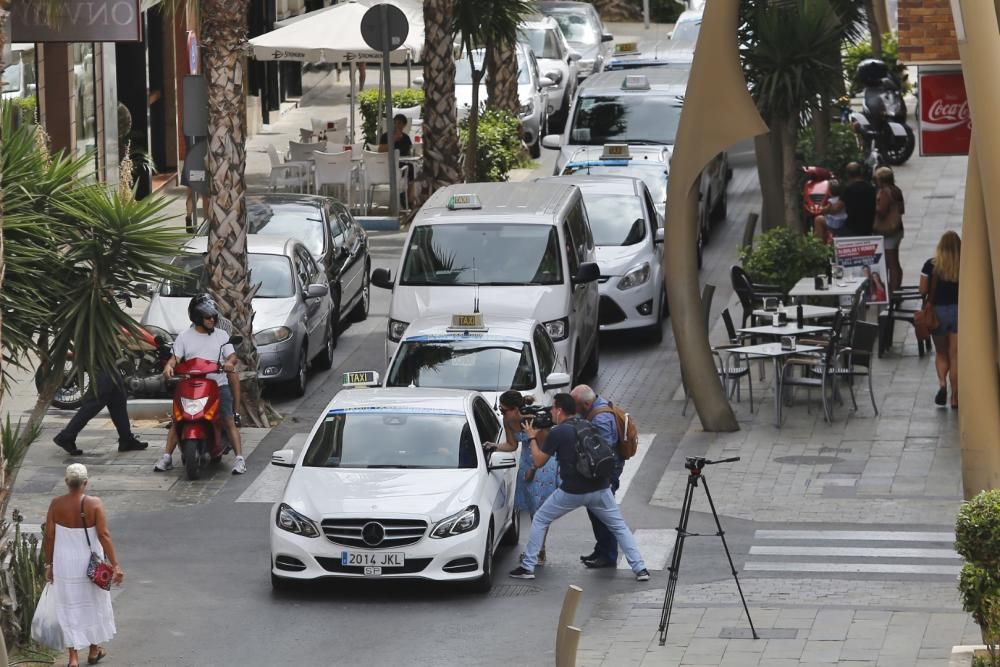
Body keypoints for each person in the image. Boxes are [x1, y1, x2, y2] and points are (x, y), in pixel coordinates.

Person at [508, 393, 649, 582]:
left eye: (552, 409)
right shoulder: (589, 424)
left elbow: (539, 461)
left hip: (572, 491)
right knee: (619, 527)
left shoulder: (559, 432)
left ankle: (528, 566)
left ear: (559, 410)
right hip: (600, 488)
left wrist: (532, 437)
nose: (550, 412)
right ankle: (640, 569)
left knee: (540, 518)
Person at [157, 295, 246, 474]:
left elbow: (232, 356)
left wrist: (229, 362)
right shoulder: (184, 336)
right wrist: (169, 366)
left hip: (218, 385)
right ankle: (166, 457)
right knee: (177, 421)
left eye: (213, 316)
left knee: (228, 420)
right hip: (190, 385)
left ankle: (239, 459)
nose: (212, 319)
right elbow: (175, 358)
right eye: (207, 317)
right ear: (197, 317)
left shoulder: (222, 335)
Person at [44, 464, 122, 667]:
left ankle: (73, 658)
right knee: (93, 603)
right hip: (91, 564)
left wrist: (48, 564)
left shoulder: (56, 504)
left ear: (66, 482)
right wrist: (115, 565)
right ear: (85, 482)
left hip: (64, 564)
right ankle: (94, 650)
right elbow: (104, 535)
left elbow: (49, 536)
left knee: (69, 607)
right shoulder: (95, 504)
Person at [493, 391, 559, 565]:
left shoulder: (534, 419)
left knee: (540, 511)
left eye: (504, 409)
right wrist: (494, 446)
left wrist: (533, 467)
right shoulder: (508, 420)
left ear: (515, 409)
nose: (501, 412)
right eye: (500, 409)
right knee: (532, 510)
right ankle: (538, 550)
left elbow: (546, 447)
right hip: (527, 464)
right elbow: (512, 445)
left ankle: (539, 552)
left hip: (543, 465)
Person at [571, 384, 625, 569]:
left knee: (603, 512)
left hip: (607, 472)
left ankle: (609, 555)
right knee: (596, 510)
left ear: (585, 404)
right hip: (603, 471)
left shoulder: (600, 417)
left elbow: (604, 450)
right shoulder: (595, 407)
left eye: (576, 405)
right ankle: (602, 548)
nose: (574, 409)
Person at [53, 366, 149, 456]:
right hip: (102, 364)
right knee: (95, 402)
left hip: (111, 365)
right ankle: (66, 437)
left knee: (118, 399)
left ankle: (126, 439)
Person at [920, 231, 961, 409]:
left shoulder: (931, 265)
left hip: (937, 313)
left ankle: (942, 384)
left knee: (941, 353)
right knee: (955, 355)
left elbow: (922, 290)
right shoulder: (964, 265)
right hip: (960, 311)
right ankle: (955, 398)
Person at [874, 166, 905, 293]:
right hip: (897, 229)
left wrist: (873, 205)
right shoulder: (896, 190)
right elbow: (901, 210)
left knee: (891, 262)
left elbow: (881, 211)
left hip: (888, 232)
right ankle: (896, 286)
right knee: (895, 261)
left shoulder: (885, 192)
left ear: (881, 180)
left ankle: (893, 290)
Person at [378, 113, 416, 205]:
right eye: (395, 123)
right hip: (387, 165)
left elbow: (408, 153)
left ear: (404, 125)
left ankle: (407, 197)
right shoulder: (386, 136)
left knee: (412, 168)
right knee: (410, 168)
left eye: (399, 123)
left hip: (401, 164)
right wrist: (394, 139)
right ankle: (405, 198)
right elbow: (380, 150)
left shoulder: (406, 138)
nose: (397, 126)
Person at [841, 161, 877, 237]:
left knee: (820, 220)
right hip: (868, 227)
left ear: (847, 175)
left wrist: (826, 209)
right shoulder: (870, 188)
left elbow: (837, 208)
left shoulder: (848, 189)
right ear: (860, 172)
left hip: (852, 228)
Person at [812, 179, 846, 244]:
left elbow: (829, 209)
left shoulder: (831, 200)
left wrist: (822, 209)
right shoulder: (841, 198)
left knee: (818, 219)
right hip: (843, 221)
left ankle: (820, 246)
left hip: (835, 223)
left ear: (829, 192)